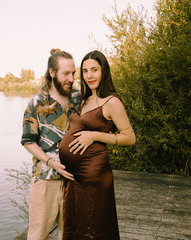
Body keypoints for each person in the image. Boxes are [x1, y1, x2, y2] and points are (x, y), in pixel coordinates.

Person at [59, 50, 136, 240]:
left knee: (93, 227)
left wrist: (95, 135)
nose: (89, 76)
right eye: (85, 71)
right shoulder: (85, 99)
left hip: (94, 175)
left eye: (94, 70)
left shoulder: (111, 102)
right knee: (76, 224)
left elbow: (129, 137)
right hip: (75, 176)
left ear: (104, 71)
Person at [21, 48, 81, 240]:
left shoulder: (79, 99)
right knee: (38, 236)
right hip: (45, 179)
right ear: (52, 72)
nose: (71, 78)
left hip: (75, 180)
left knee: (71, 235)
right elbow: (28, 142)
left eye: (73, 73)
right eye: (66, 73)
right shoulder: (36, 103)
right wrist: (50, 162)